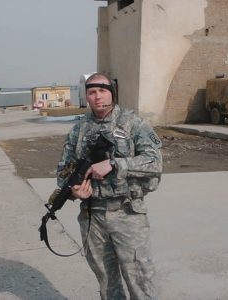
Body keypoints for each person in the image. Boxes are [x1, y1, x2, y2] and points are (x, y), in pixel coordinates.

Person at [57, 73, 162, 299]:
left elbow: (154, 162)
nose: (97, 97)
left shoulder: (133, 123)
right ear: (86, 96)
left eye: (102, 91)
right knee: (106, 281)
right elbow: (63, 171)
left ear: (112, 93)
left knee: (140, 279)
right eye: (92, 92)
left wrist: (114, 164)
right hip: (92, 215)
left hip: (127, 213)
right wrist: (75, 190)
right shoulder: (78, 130)